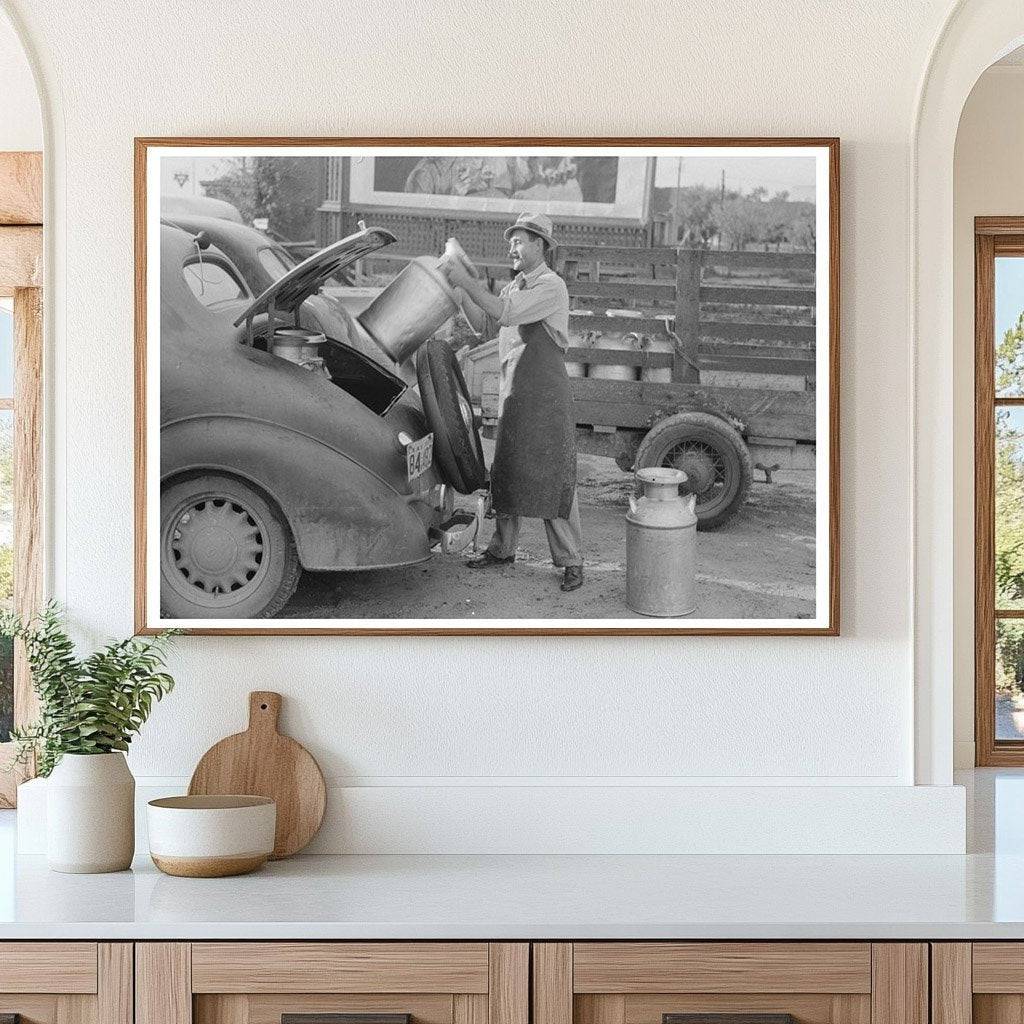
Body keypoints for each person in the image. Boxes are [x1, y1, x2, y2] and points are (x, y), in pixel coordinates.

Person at [444, 212, 583, 592]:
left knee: (555, 479)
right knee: (506, 470)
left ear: (540, 245)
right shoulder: (515, 286)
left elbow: (505, 313)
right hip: (515, 395)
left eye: (519, 241)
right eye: (512, 242)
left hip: (546, 397)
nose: (512, 248)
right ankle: (502, 550)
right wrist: (458, 291)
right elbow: (486, 324)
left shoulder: (551, 287)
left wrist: (468, 282)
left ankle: (571, 561)